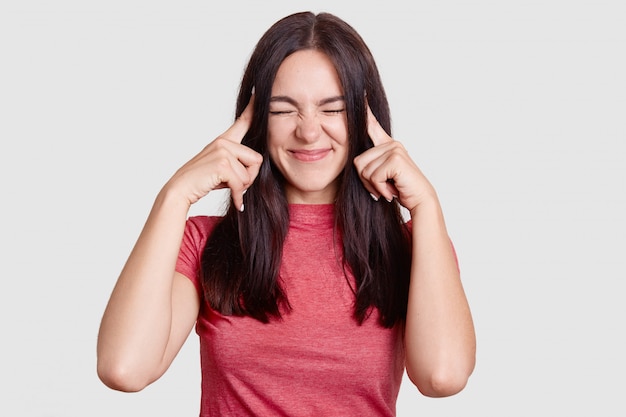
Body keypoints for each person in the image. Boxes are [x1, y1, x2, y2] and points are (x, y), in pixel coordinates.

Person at [97, 10, 476, 416]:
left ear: (365, 120)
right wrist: (174, 195)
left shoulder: (413, 244)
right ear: (256, 120)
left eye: (332, 109)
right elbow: (125, 368)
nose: (308, 131)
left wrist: (426, 205)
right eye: (283, 109)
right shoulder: (204, 242)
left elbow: (443, 376)